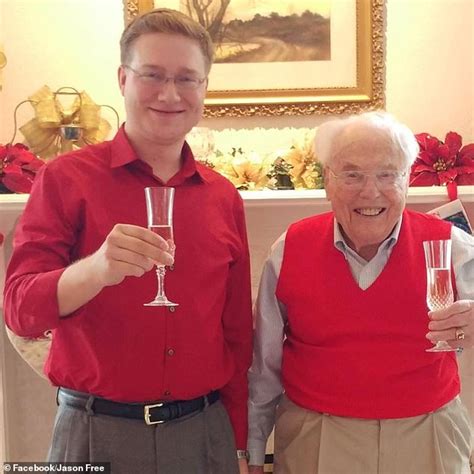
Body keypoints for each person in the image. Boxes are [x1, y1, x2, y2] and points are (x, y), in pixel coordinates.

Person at [4, 8, 252, 474]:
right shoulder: (65, 179)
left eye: (187, 78)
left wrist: (240, 446)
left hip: (203, 433)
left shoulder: (223, 197)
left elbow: (237, 336)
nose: (169, 94)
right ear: (122, 78)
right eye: (152, 75)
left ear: (204, 88)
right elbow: (20, 309)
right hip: (93, 432)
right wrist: (95, 270)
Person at [247, 112, 474, 474]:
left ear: (406, 180)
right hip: (318, 437)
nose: (370, 192)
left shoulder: (453, 245)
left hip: (428, 435)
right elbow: (264, 368)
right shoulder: (290, 248)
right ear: (327, 181)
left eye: (387, 174)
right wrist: (253, 451)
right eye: (351, 175)